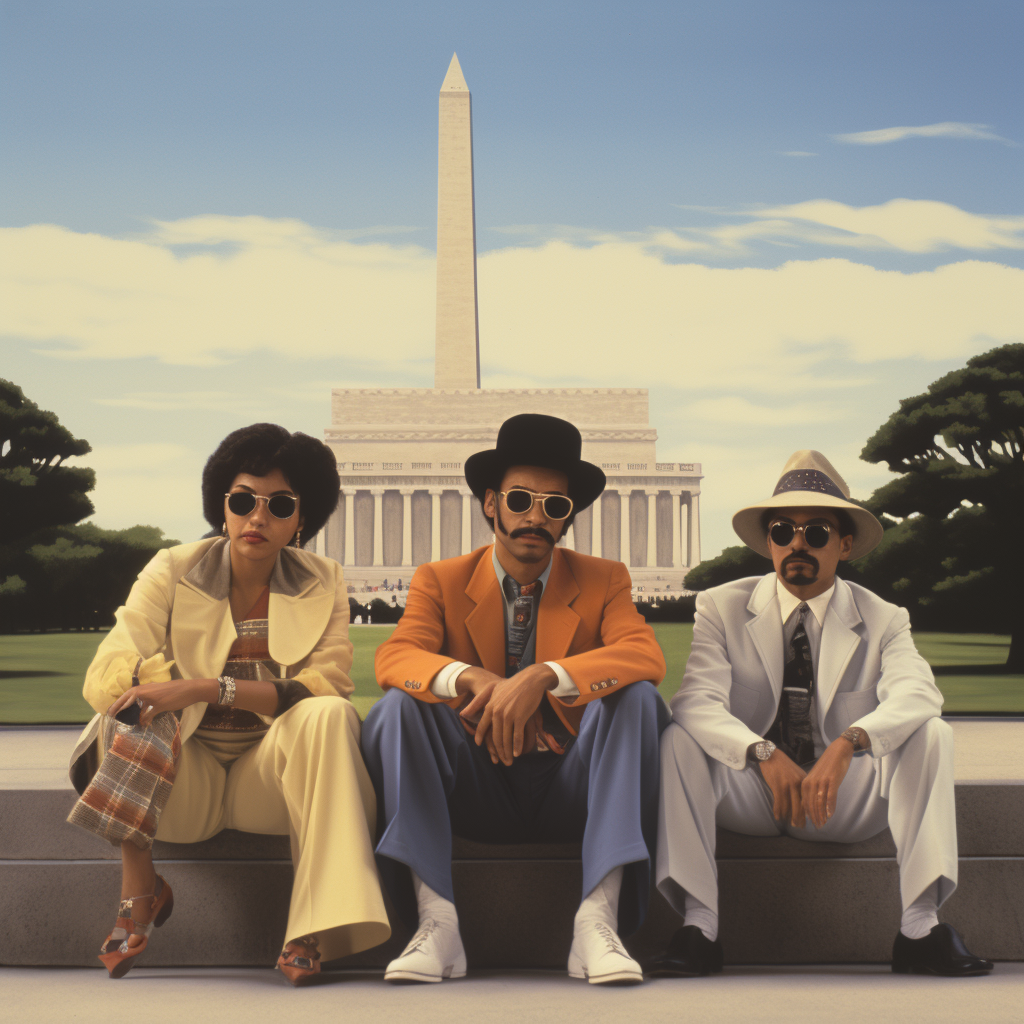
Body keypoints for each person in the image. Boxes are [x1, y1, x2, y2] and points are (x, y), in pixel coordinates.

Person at [67, 423, 390, 983]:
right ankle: (139, 885)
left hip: (270, 778)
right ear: (223, 507)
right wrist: (158, 684)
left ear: (301, 520)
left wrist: (204, 687)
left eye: (279, 505)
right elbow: (105, 669)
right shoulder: (172, 568)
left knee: (330, 713)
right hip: (179, 777)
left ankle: (312, 923)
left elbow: (323, 684)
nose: (257, 517)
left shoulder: (325, 579)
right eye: (243, 500)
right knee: (131, 700)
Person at [652, 450, 992, 977]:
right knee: (677, 740)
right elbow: (696, 701)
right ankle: (699, 927)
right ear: (769, 542)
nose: (797, 544)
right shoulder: (720, 606)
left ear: (845, 544)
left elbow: (918, 694)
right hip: (753, 792)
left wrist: (849, 742)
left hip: (840, 797)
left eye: (816, 532)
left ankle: (920, 927)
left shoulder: (884, 617)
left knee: (932, 735)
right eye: (783, 529)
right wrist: (760, 751)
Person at [361, 413, 669, 985]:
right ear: (490, 503)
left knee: (640, 702)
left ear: (568, 517)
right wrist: (477, 679)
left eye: (555, 506)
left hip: (570, 782)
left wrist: (544, 676)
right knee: (399, 708)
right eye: (522, 499)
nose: (536, 517)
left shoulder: (604, 579)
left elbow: (644, 657)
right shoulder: (441, 579)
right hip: (475, 782)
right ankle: (437, 922)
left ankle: (598, 921)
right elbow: (396, 659)